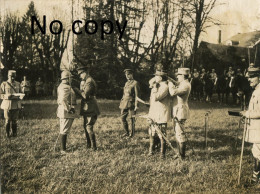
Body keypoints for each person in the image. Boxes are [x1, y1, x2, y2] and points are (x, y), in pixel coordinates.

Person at [240, 63, 260, 185]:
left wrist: (247, 114)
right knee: (256, 151)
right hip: (256, 126)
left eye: (252, 76)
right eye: (248, 76)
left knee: (258, 152)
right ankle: (256, 177)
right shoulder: (256, 91)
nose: (249, 79)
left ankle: (255, 178)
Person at [74, 66, 100, 150]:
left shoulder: (89, 81)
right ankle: (89, 145)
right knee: (85, 126)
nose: (80, 75)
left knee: (88, 126)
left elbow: (85, 95)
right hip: (87, 106)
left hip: (91, 106)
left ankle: (94, 146)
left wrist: (77, 90)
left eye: (81, 73)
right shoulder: (86, 81)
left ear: (85, 72)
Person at [168, 68, 191, 160]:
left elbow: (173, 92)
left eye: (178, 75)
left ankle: (182, 156)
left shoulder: (186, 85)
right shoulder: (183, 83)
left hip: (181, 111)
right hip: (177, 110)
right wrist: (170, 79)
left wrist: (170, 84)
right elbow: (177, 83)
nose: (177, 77)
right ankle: (179, 154)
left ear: (182, 76)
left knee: (180, 134)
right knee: (177, 133)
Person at [147, 70, 171, 158]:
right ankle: (151, 150)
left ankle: (162, 153)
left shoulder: (164, 86)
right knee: (152, 132)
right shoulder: (158, 85)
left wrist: (154, 88)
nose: (154, 78)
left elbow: (156, 97)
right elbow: (150, 81)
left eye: (156, 76)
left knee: (162, 134)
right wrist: (155, 82)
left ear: (160, 78)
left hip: (161, 114)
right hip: (154, 113)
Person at [57, 71, 77, 154]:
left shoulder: (62, 86)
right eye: (70, 77)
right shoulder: (65, 87)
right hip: (65, 111)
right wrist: (69, 109)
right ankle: (63, 150)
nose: (71, 79)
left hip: (63, 110)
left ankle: (63, 148)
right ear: (67, 78)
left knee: (63, 129)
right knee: (64, 130)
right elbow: (62, 100)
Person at [0, 70, 23, 137]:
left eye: (14, 76)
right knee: (7, 120)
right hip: (7, 105)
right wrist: (6, 96)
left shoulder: (18, 84)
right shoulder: (4, 84)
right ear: (8, 76)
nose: (13, 78)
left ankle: (14, 133)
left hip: (16, 105)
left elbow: (21, 93)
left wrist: (21, 96)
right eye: (11, 76)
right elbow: (0, 94)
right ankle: (7, 134)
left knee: (15, 120)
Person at [119, 69, 139, 138]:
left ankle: (132, 134)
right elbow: (124, 93)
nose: (127, 76)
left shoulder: (135, 83)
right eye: (126, 75)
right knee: (122, 118)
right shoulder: (126, 83)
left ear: (132, 74)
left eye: (128, 74)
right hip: (124, 103)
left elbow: (137, 95)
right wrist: (122, 101)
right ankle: (126, 132)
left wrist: (136, 105)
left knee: (132, 119)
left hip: (131, 103)